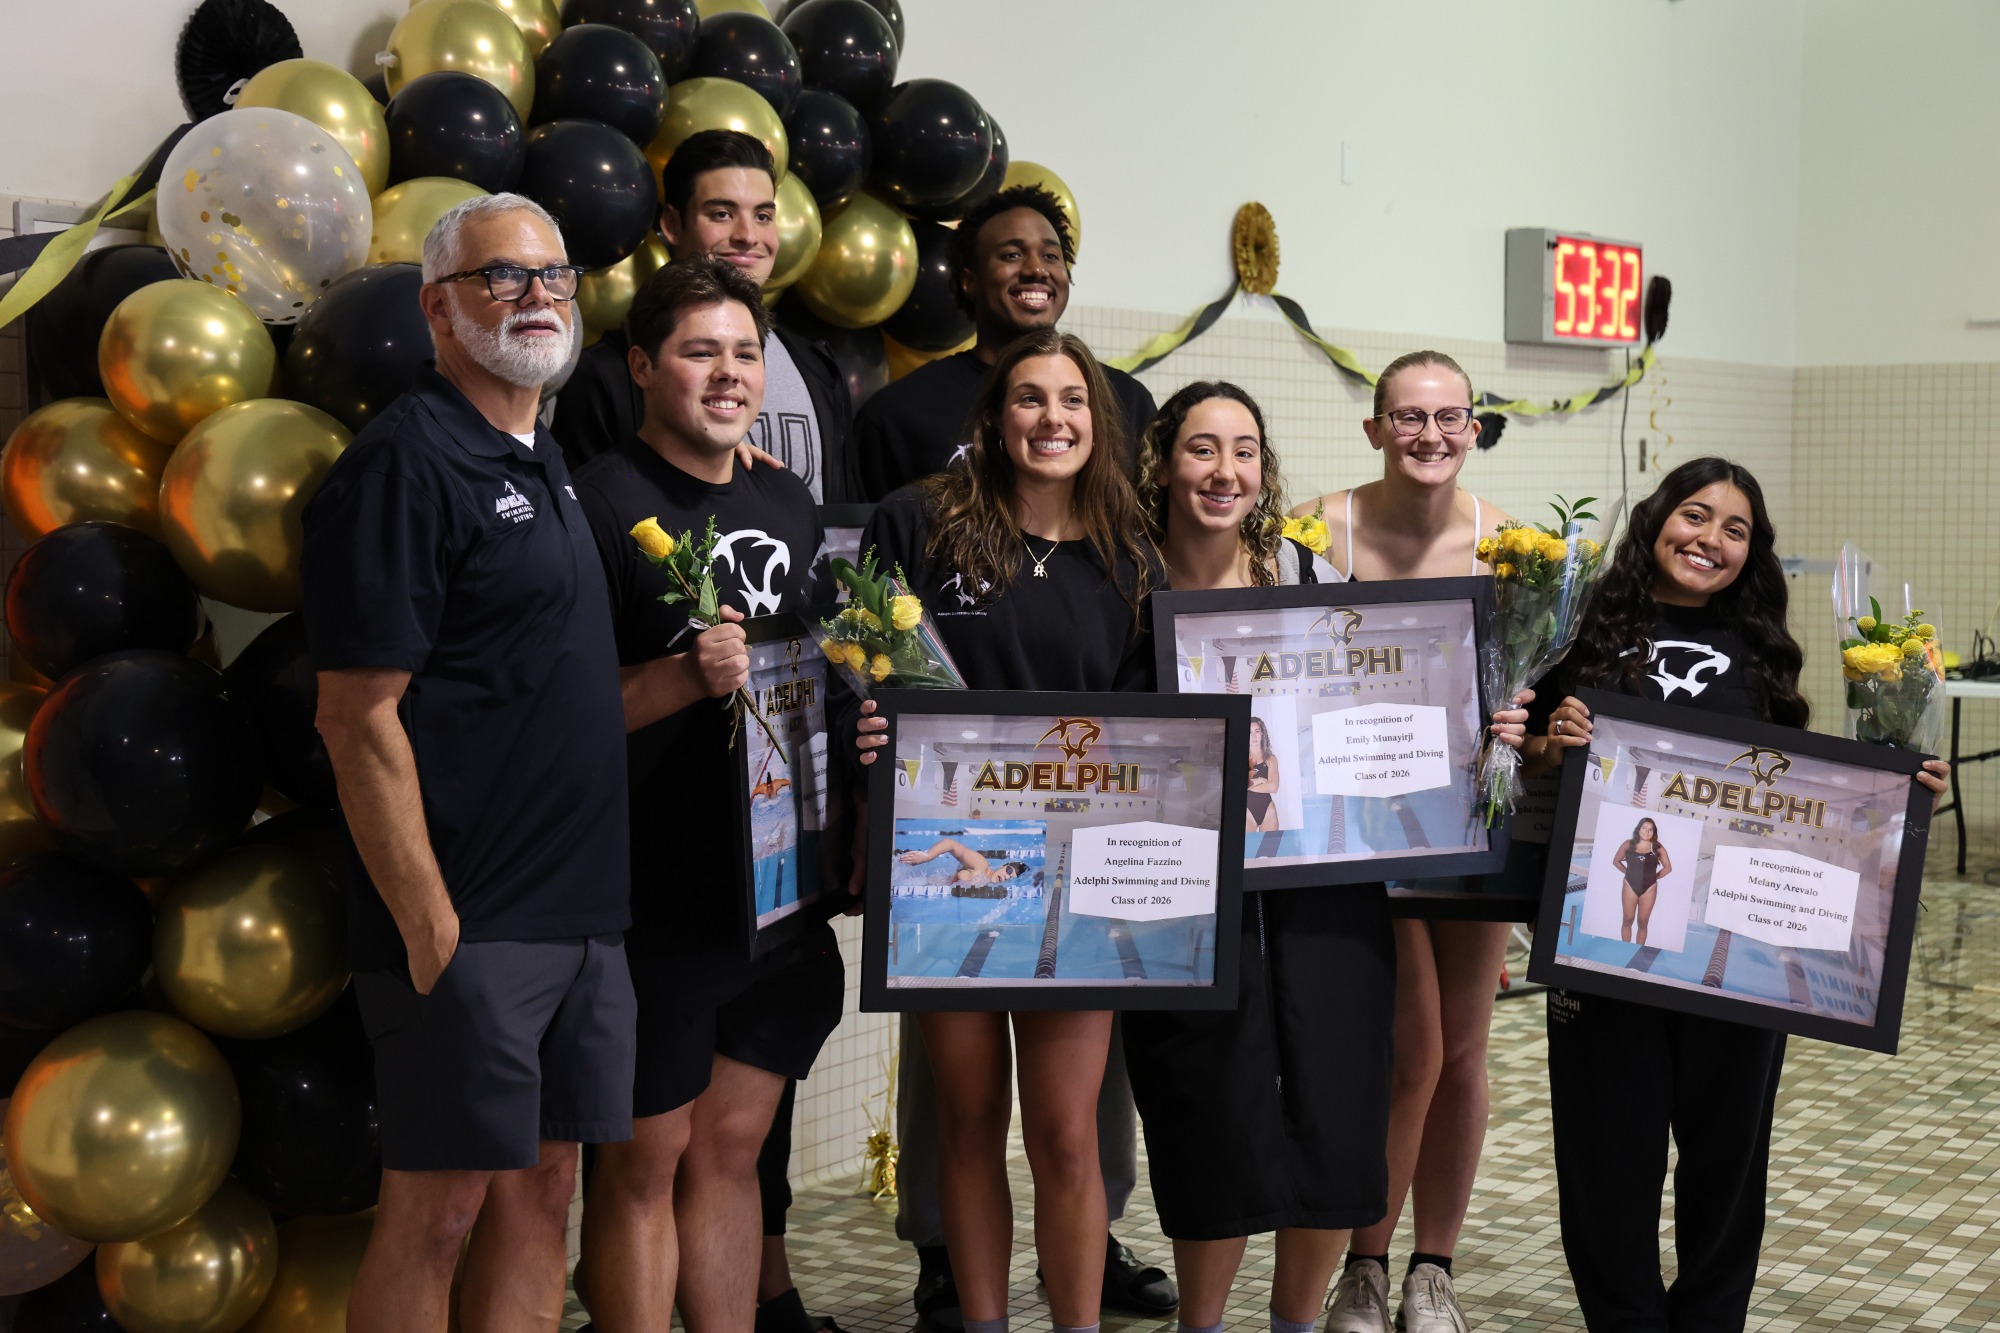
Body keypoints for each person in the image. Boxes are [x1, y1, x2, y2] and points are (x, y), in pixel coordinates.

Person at [1118, 381, 1527, 1333]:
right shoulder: (1123, 587)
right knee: (1211, 1112)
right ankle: (1201, 1324)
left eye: (1244, 451)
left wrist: (1484, 723)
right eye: (1202, 448)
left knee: (1338, 1110)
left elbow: (1388, 703)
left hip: (1323, 887)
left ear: (1264, 470)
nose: (1225, 470)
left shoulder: (1307, 575)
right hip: (1184, 896)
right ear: (1163, 463)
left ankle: (1299, 1320)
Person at [301, 193, 636, 1333]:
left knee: (544, 1196)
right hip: (471, 927)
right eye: (502, 276)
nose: (536, 296)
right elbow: (355, 717)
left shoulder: (546, 454)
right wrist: (429, 924)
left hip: (581, 919)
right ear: (437, 308)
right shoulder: (405, 464)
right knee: (437, 1216)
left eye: (553, 275)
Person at [1520, 456, 1948, 1328]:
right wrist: (1549, 745)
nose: (1710, 538)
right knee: (1606, 1158)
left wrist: (1899, 793)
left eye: (1735, 529)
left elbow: (1800, 798)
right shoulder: (1580, 628)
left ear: (1752, 552)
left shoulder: (1762, 648)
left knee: (1728, 1159)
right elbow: (1522, 756)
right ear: (1657, 519)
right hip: (1605, 943)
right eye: (1695, 514)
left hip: (1736, 948)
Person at [855, 188, 1177, 1333]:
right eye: (1030, 399)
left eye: (1072, 400)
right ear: (993, 419)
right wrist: (876, 720)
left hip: (1081, 876)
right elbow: (870, 661)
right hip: (948, 869)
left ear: (1099, 421)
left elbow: (1154, 727)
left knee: (1065, 1131)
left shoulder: (1133, 555)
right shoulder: (917, 524)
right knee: (963, 1121)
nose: (1052, 417)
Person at [570, 257, 845, 1333]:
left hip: (776, 896)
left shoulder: (785, 498)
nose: (728, 373)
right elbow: (554, 715)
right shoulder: (597, 504)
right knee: (646, 1162)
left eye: (744, 353)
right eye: (699, 352)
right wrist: (681, 677)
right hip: (659, 896)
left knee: (731, 1151)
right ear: (642, 366)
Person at [1299, 351, 1520, 1333]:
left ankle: (1433, 1268)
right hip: (1355, 823)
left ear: (1473, 427)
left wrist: (1523, 719)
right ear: (1375, 429)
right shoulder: (1318, 530)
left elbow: (1537, 677)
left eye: (1449, 417)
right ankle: (1364, 1262)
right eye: (1408, 417)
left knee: (1462, 1049)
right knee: (1410, 1048)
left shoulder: (1510, 546)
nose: (1430, 435)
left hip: (1465, 818)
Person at [555, 129, 860, 505]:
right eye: (722, 214)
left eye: (763, 216)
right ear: (672, 224)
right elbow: (586, 518)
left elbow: (846, 523)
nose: (748, 235)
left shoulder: (817, 368)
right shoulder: (606, 374)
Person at [853, 184, 1157, 500]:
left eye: (1051, 256)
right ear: (969, 281)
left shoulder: (1127, 400)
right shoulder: (898, 413)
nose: (1036, 269)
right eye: (1012, 255)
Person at [1612, 818, 1674, 945]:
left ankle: (1638, 951)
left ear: (1654, 832)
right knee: (1628, 919)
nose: (1647, 831)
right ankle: (1625, 949)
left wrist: (1654, 877)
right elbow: (1616, 861)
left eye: (1650, 829)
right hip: (1630, 885)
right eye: (1644, 828)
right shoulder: (1628, 844)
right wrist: (1628, 873)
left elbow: (1668, 868)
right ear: (1639, 829)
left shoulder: (1657, 848)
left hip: (1649, 888)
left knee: (1643, 922)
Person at [899, 839, 1029, 885]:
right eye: (1009, 871)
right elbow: (950, 844)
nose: (1006, 876)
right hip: (919, 883)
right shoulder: (981, 865)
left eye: (1011, 878)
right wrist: (927, 856)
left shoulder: (987, 884)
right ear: (1003, 865)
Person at [1246, 716, 1280, 834]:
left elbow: (1273, 787)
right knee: (1247, 845)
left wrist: (1249, 785)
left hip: (1268, 809)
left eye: (1257, 731)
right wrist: (1259, 780)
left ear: (1262, 734)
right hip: (1247, 810)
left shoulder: (1271, 758)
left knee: (1269, 846)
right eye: (1249, 732)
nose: (1253, 736)